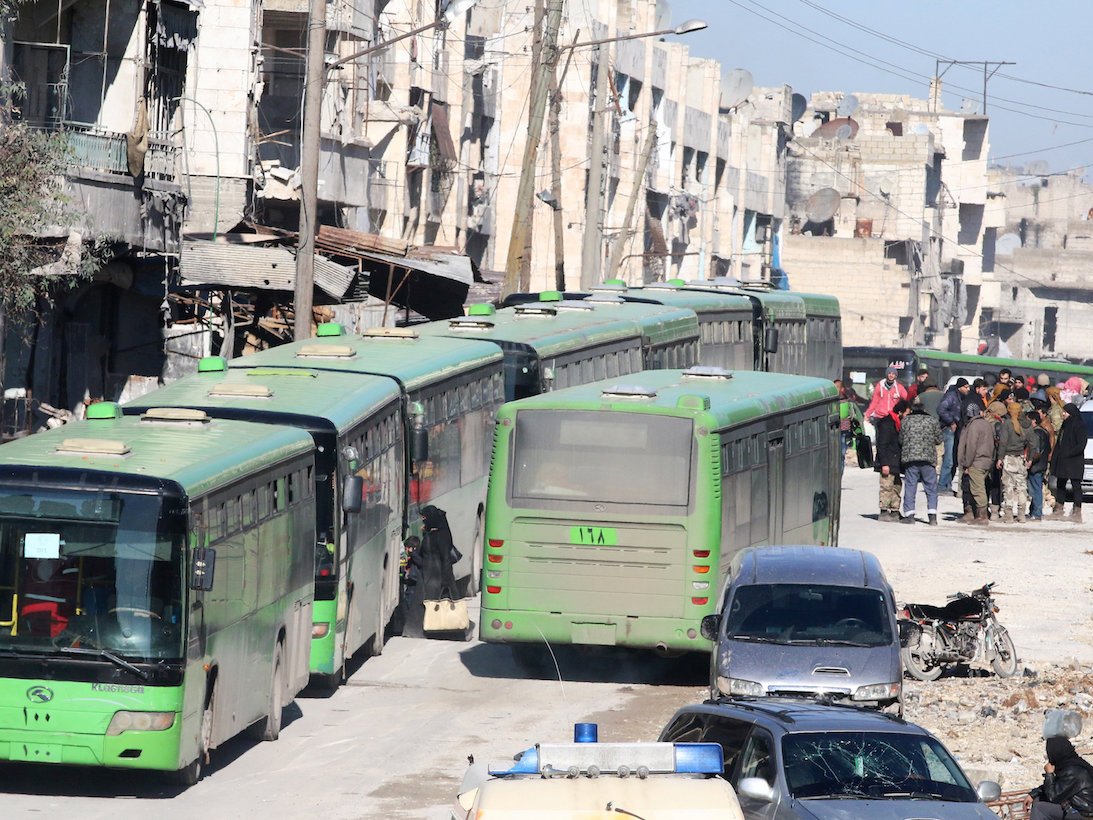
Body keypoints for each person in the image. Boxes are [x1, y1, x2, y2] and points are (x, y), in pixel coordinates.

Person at [899, 399, 943, 525]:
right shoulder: (932, 420)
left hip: (911, 459)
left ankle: (910, 515)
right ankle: (932, 516)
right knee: (931, 488)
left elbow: (901, 439)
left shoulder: (906, 421)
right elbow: (939, 439)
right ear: (924, 410)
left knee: (910, 486)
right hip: (928, 459)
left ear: (912, 409)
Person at [1028, 736, 1093, 819]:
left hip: (1084, 813)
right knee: (1038, 799)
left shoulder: (1072, 771)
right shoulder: (1072, 763)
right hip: (1079, 807)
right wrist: (1033, 794)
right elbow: (1059, 785)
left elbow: (1053, 797)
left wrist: (1049, 774)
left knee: (1039, 808)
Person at [1051, 403, 1089, 523]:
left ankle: (1077, 512)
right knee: (1060, 483)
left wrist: (1068, 453)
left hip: (1074, 461)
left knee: (1076, 485)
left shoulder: (1079, 425)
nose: (1063, 414)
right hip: (1063, 460)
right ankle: (1059, 509)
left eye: (1065, 412)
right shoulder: (1065, 424)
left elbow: (1081, 444)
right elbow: (1060, 442)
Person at [958, 403, 994, 526]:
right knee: (980, 487)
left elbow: (971, 446)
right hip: (987, 460)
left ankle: (982, 516)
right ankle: (977, 513)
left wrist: (967, 463)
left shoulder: (973, 426)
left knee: (977, 489)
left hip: (976, 461)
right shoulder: (987, 424)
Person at [996, 401, 1032, 523]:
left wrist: (999, 458)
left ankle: (1009, 515)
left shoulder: (1007, 424)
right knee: (1022, 487)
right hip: (1021, 458)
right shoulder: (1027, 424)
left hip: (1008, 458)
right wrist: (1030, 458)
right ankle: (1022, 515)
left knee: (1009, 487)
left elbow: (1003, 442)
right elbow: (1033, 443)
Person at [874, 399, 907, 522]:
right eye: (906, 413)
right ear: (900, 412)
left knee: (897, 486)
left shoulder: (897, 423)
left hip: (896, 461)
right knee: (886, 486)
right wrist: (884, 463)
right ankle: (883, 511)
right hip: (888, 460)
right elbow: (882, 445)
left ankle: (894, 510)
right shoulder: (887, 423)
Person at [937, 378, 969, 494]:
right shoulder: (951, 396)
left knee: (954, 459)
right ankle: (941, 486)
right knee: (949, 459)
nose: (968, 389)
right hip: (949, 429)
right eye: (966, 387)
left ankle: (948, 485)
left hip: (958, 430)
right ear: (960, 387)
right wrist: (951, 421)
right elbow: (941, 409)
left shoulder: (962, 397)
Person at [1027, 411, 1051, 522]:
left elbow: (1036, 451)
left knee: (1035, 490)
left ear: (1033, 420)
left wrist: (1030, 461)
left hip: (1036, 465)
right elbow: (1049, 448)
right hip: (1042, 464)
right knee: (1037, 488)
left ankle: (1037, 513)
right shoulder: (1044, 432)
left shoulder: (1035, 433)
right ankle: (1033, 511)